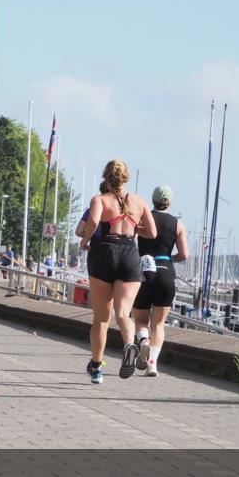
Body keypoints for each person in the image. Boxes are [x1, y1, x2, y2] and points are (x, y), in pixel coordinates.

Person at [78, 160, 156, 384]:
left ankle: (96, 368)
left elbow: (92, 222)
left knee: (101, 318)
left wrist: (85, 240)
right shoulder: (139, 202)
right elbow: (151, 232)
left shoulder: (100, 200)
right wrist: (131, 225)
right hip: (130, 253)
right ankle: (130, 343)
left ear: (105, 177)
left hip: (104, 254)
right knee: (123, 313)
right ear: (126, 178)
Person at [133, 185, 188, 377]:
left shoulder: (142, 219)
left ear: (153, 200)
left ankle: (143, 342)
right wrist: (170, 259)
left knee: (140, 320)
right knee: (158, 324)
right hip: (166, 272)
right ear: (170, 202)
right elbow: (184, 254)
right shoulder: (177, 224)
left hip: (144, 270)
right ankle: (152, 364)